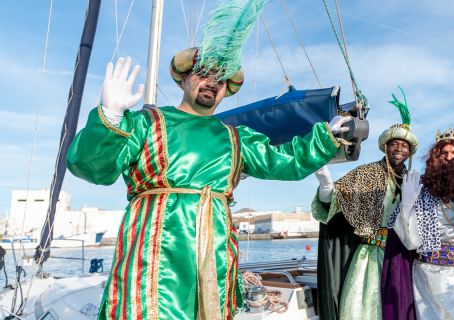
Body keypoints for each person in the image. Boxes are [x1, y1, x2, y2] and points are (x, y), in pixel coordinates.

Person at [67, 50, 351, 319]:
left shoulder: (236, 137)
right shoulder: (147, 122)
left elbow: (285, 160)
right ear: (184, 78)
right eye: (204, 73)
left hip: (213, 251)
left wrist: (325, 137)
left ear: (227, 90)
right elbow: (92, 168)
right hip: (154, 251)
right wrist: (111, 115)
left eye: (222, 79)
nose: (212, 83)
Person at [312, 90, 419, 320]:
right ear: (386, 147)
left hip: (400, 258)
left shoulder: (415, 182)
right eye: (395, 144)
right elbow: (335, 202)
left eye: (404, 146)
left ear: (410, 152)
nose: (399, 149)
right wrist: (325, 184)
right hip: (369, 257)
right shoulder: (366, 174)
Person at [393, 128, 454, 319]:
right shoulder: (423, 187)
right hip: (429, 274)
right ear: (436, 157)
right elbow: (410, 240)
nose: (449, 157)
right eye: (444, 153)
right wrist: (406, 205)